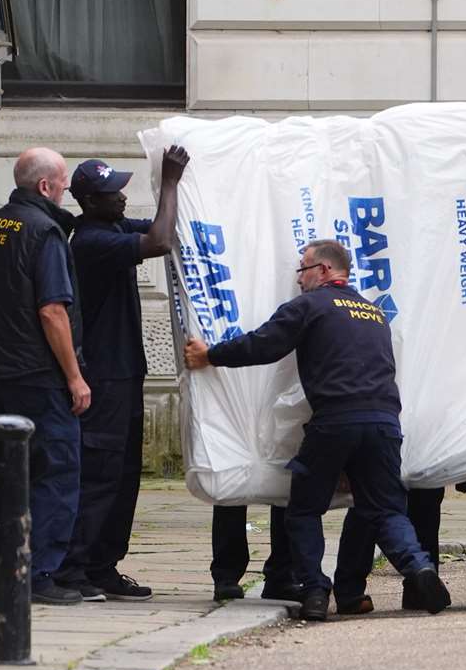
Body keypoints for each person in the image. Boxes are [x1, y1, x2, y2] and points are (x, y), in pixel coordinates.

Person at [183, 239, 451, 621]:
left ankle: (313, 591)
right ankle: (419, 569)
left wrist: (210, 356)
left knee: (303, 510)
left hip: (334, 422)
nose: (298, 280)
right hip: (384, 423)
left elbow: (263, 345)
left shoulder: (310, 306)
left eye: (302, 270)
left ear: (324, 270)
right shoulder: (374, 314)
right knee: (387, 510)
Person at [52, 148, 188, 602]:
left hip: (126, 374)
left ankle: (104, 565)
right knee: (101, 475)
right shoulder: (89, 241)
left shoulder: (108, 225)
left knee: (126, 475)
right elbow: (159, 243)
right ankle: (74, 568)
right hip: (104, 377)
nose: (123, 199)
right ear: (90, 201)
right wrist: (169, 182)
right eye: (113, 194)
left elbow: (162, 229)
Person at [0, 147, 90, 605]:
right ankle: (35, 574)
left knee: (5, 474)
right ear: (45, 186)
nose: (65, 192)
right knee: (56, 472)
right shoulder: (45, 231)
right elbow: (53, 310)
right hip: (38, 374)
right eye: (62, 185)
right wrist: (74, 377)